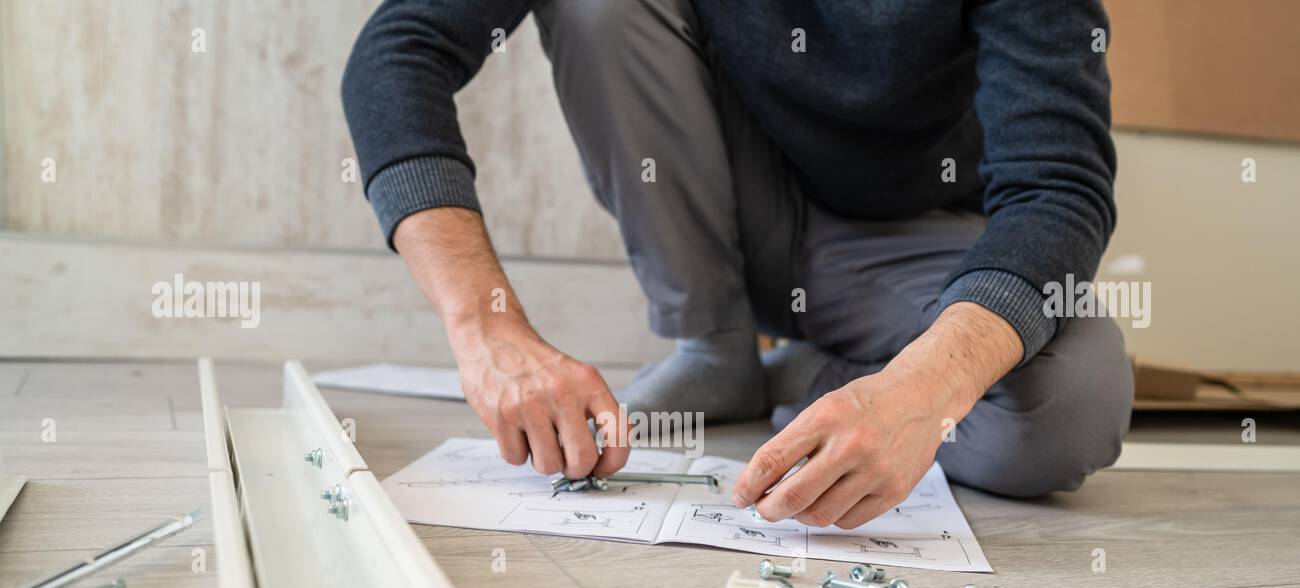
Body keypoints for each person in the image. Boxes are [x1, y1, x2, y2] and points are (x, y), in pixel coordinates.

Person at [342, 0, 1133, 530]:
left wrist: (922, 391)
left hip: (912, 247)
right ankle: (712, 345)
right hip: (737, 214)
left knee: (1067, 407)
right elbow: (397, 55)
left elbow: (1058, 185)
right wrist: (487, 329)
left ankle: (809, 376)